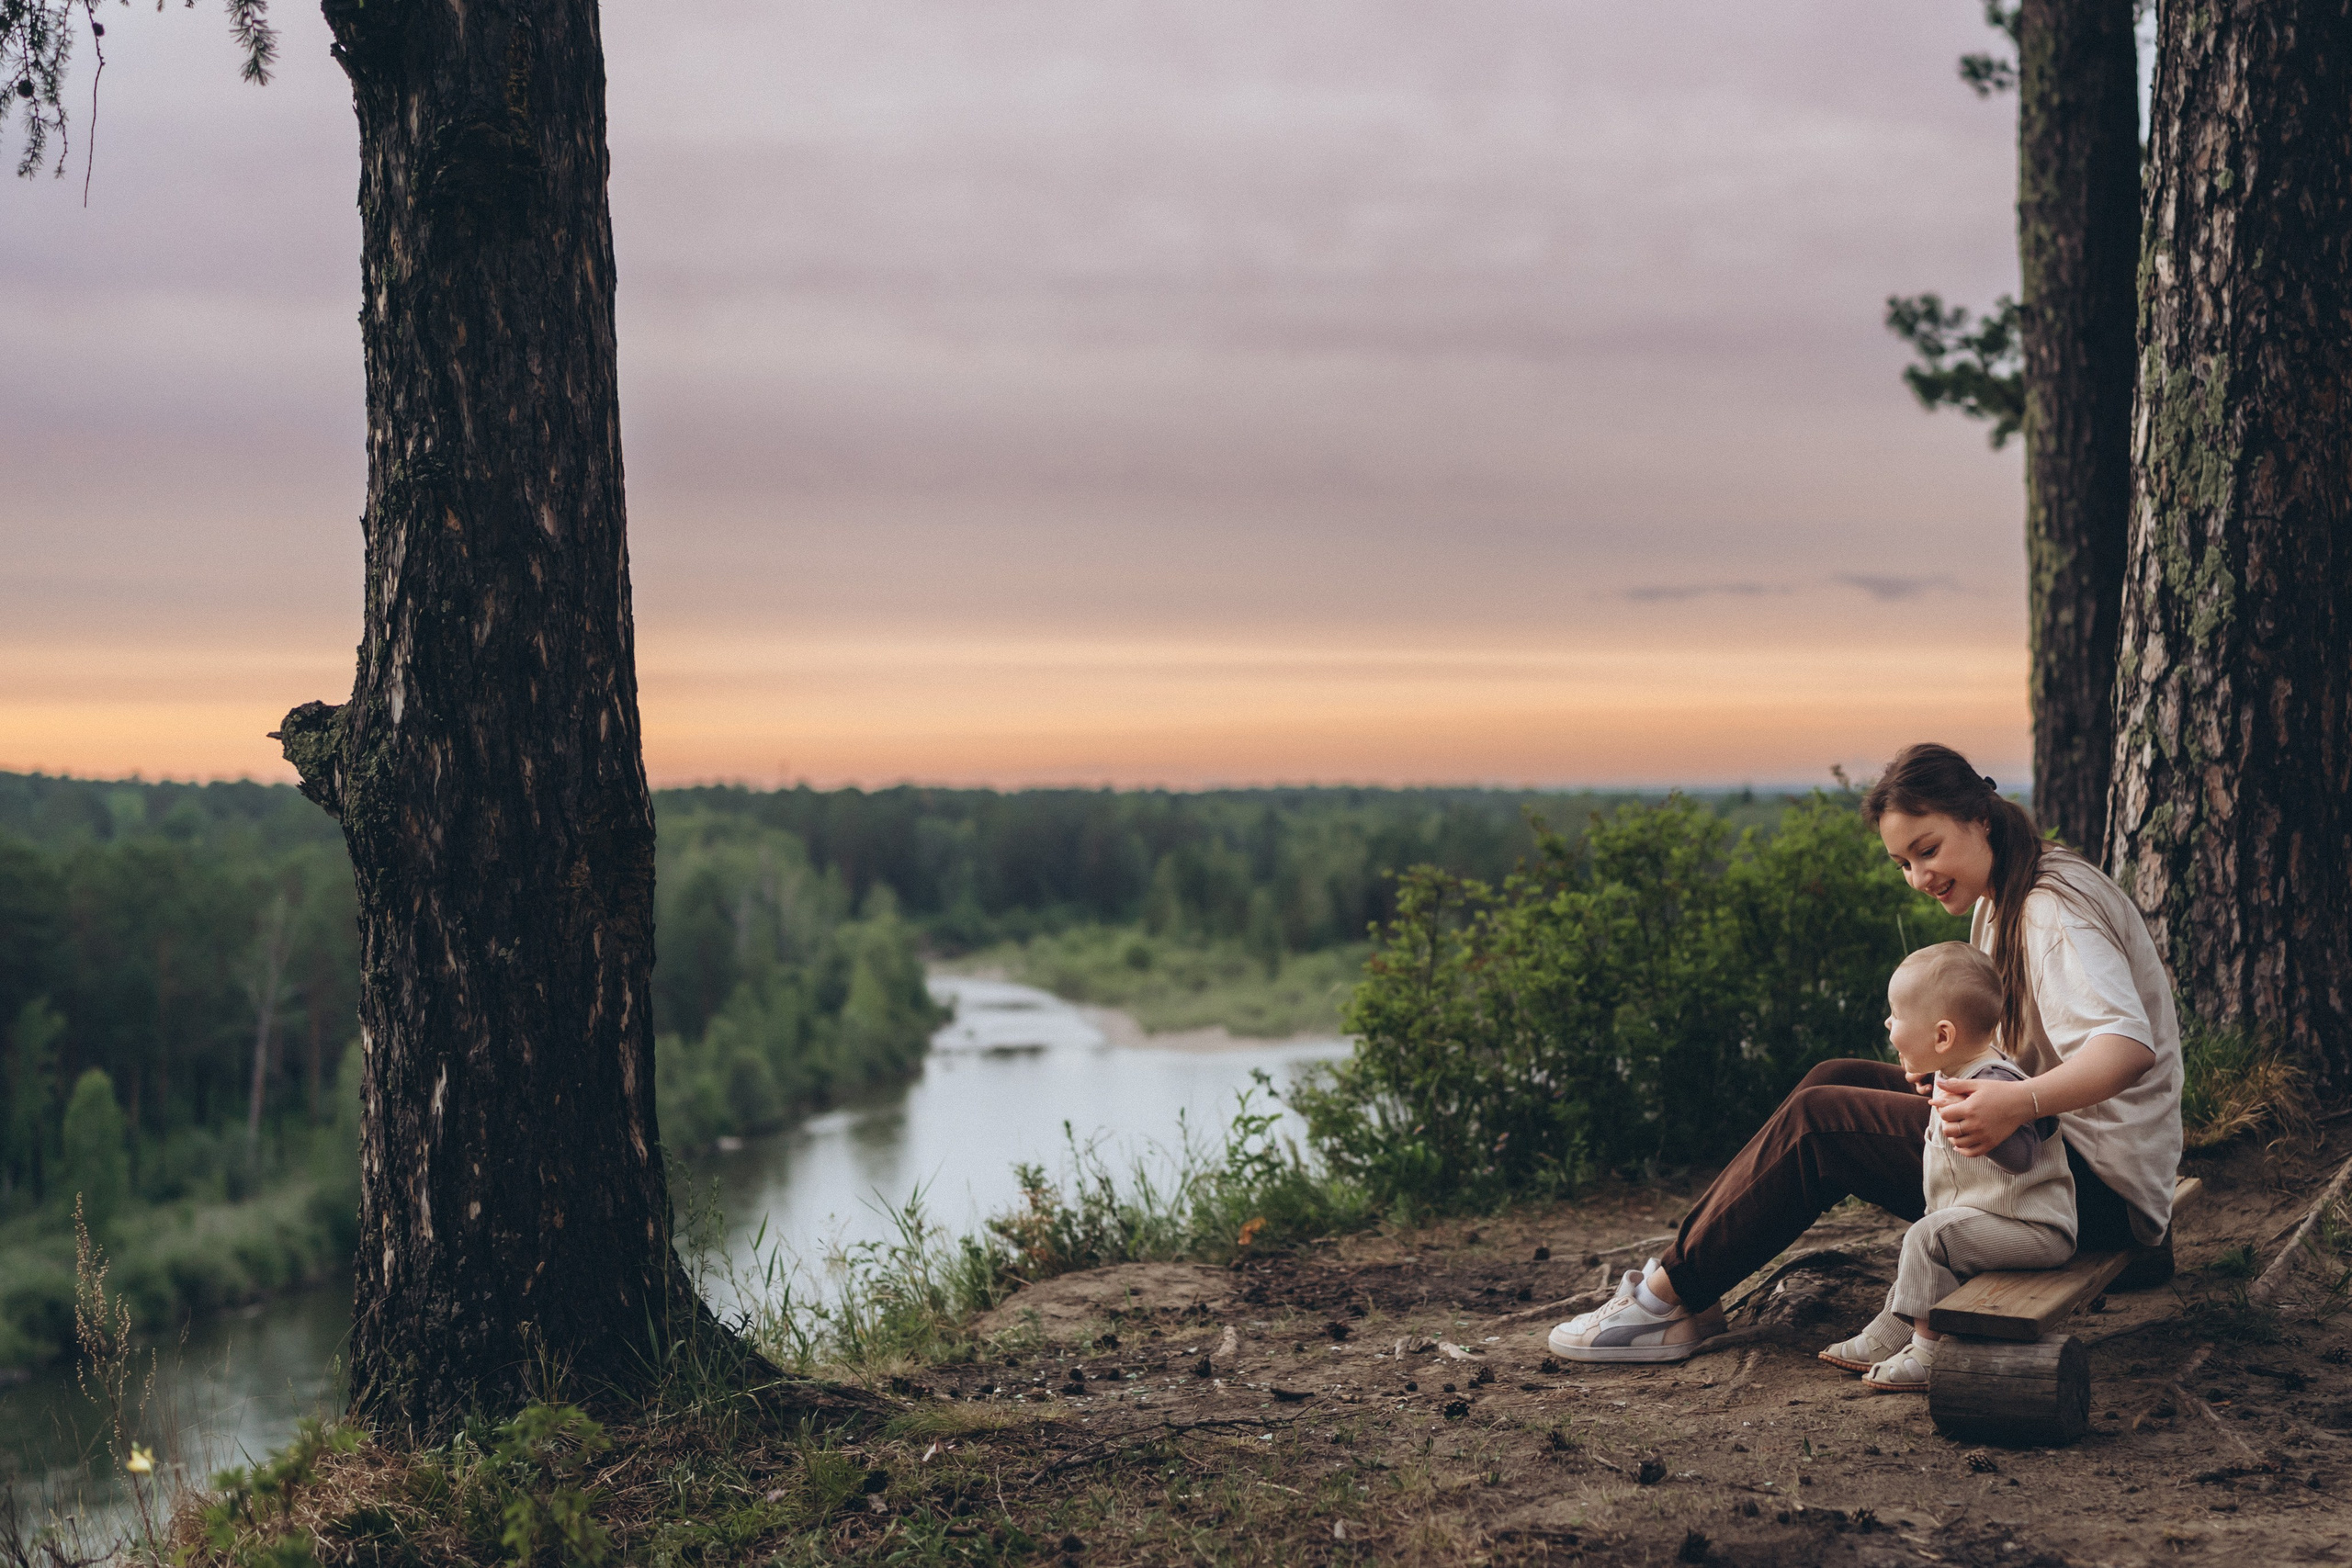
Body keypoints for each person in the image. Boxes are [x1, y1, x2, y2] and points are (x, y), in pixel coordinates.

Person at [1548, 741, 2184, 1367]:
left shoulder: (2049, 911)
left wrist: (2015, 1102)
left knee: (1820, 1123)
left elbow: (2127, 1049)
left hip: (2093, 1197)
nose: (1918, 878)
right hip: (2059, 1161)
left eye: (1928, 850)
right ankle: (1690, 1284)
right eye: (1903, 862)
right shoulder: (2012, 888)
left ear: (1980, 818)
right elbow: (2018, 1043)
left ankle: (1666, 1299)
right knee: (1833, 1079)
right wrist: (1959, 1073)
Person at [1828, 942, 2074, 1393]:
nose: (1888, 1023)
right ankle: (1888, 1335)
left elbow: (2022, 1156)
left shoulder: (1996, 1085)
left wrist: (1986, 1133)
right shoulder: (1958, 1072)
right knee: (1926, 1241)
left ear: (1942, 1037)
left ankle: (1928, 1350)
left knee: (1928, 1237)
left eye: (1897, 1015)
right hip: (1991, 1219)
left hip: (2035, 1229)